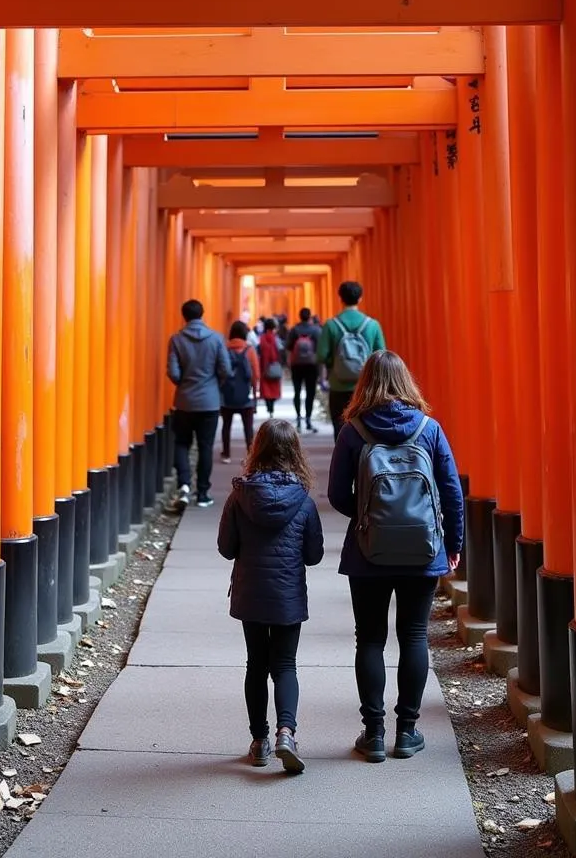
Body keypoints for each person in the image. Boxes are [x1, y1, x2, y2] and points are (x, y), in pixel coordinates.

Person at [327, 351, 464, 762]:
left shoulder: (353, 431)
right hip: (423, 550)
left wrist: (368, 518)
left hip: (368, 553)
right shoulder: (429, 429)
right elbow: (452, 491)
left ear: (364, 382)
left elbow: (337, 495)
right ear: (407, 382)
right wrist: (453, 543)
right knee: (414, 636)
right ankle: (407, 732)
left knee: (369, 638)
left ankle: (373, 734)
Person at [217, 419, 324, 774]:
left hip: (251, 592)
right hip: (287, 594)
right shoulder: (303, 501)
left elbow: (225, 548)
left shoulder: (239, 496)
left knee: (255, 665)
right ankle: (286, 733)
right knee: (285, 666)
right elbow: (314, 555)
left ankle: (259, 740)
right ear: (295, 452)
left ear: (256, 449)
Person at [166, 299, 233, 510]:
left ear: (183, 316)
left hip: (184, 401)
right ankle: (203, 493)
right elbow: (226, 369)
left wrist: (185, 383)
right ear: (202, 314)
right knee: (205, 447)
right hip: (209, 402)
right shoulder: (216, 339)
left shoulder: (177, 340)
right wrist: (213, 384)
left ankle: (184, 485)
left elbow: (173, 372)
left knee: (182, 443)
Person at [316, 280, 386, 439]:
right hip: (365, 386)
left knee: (340, 426)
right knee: (366, 428)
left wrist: (331, 367)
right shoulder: (372, 325)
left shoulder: (331, 325)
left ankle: (343, 459)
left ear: (340, 298)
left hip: (338, 385)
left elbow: (321, 355)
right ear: (360, 298)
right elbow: (381, 355)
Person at [221, 320, 260, 464]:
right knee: (248, 428)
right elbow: (255, 374)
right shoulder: (249, 350)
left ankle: (226, 454)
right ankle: (250, 456)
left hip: (227, 395)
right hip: (246, 395)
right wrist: (255, 394)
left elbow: (221, 371)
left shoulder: (225, 349)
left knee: (226, 426)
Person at [286, 307, 321, 433]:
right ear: (310, 316)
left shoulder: (294, 330)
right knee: (310, 393)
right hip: (312, 365)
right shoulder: (316, 330)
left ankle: (298, 420)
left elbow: (288, 346)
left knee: (297, 391)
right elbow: (320, 348)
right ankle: (308, 419)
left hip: (297, 365)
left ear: (299, 316)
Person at [257, 317, 283, 416]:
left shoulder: (262, 338)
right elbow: (280, 351)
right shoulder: (276, 338)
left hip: (264, 366)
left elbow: (259, 351)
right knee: (274, 387)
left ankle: (269, 406)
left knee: (266, 387)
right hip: (274, 365)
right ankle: (272, 407)